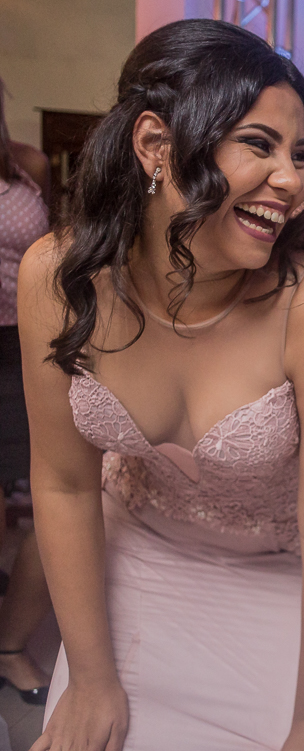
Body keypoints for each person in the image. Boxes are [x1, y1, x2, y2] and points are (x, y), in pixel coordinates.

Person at [19, 20, 304, 751]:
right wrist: (90, 677)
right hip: (132, 569)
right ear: (155, 146)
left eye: (301, 156)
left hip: (278, 588)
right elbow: (63, 485)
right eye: (260, 144)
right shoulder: (57, 277)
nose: (295, 184)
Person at [0, 74, 53, 712]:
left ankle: (12, 643)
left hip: (20, 348)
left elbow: (62, 249)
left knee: (53, 494)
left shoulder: (29, 166)